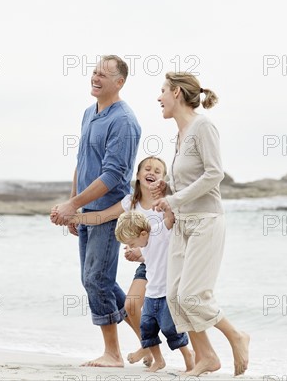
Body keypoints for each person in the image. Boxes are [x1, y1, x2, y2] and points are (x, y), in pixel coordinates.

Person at [150, 72, 250, 376]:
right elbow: (190, 179)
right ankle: (206, 357)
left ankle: (236, 336)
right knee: (174, 297)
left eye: (163, 91)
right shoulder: (180, 134)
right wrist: (167, 187)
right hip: (182, 224)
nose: (159, 98)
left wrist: (174, 200)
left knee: (193, 296)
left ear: (177, 93)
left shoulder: (203, 126)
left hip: (206, 221)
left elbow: (214, 174)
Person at [50, 55, 141, 368]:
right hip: (86, 210)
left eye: (104, 75)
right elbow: (82, 161)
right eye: (94, 72)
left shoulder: (125, 121)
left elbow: (114, 175)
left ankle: (113, 354)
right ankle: (149, 338)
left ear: (120, 82)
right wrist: (73, 203)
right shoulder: (89, 113)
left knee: (96, 280)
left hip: (109, 213)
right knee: (95, 280)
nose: (96, 78)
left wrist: (74, 206)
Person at [64, 156, 168, 368]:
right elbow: (102, 217)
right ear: (137, 175)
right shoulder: (131, 203)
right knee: (130, 304)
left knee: (173, 314)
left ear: (164, 179)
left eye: (158, 171)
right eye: (147, 169)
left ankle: (190, 355)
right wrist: (74, 218)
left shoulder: (166, 203)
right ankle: (149, 347)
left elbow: (171, 234)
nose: (152, 172)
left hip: (170, 267)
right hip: (147, 266)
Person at [116, 210, 194, 372]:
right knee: (146, 329)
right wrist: (135, 255)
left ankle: (189, 358)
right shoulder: (143, 245)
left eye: (131, 243)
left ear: (143, 233)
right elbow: (149, 258)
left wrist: (164, 202)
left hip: (167, 294)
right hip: (151, 295)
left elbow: (170, 218)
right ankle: (158, 361)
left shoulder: (159, 233)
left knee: (170, 329)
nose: (131, 247)